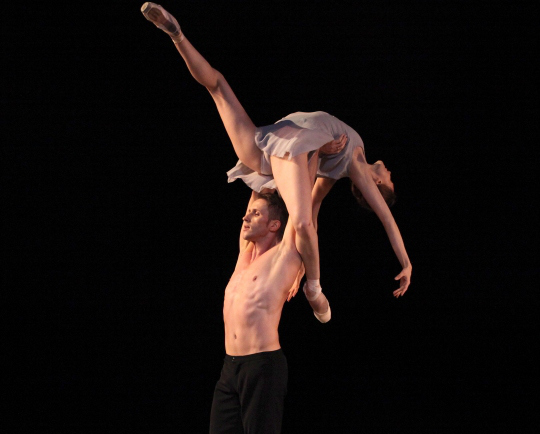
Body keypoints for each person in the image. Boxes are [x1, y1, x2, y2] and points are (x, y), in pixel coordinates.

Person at [140, 3, 412, 326]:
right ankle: (176, 34)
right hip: (275, 143)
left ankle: (314, 288)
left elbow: (385, 218)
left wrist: (406, 263)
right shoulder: (335, 165)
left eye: (390, 181)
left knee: (301, 222)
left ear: (378, 185)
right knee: (218, 86)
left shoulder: (355, 162)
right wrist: (302, 259)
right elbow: (313, 210)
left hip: (288, 147)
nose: (391, 173)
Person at [156, 185, 314, 434]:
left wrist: (305, 161)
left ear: (275, 225)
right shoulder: (245, 254)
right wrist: (264, 174)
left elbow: (304, 209)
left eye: (257, 214)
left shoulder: (285, 255)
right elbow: (255, 200)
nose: (246, 217)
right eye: (249, 212)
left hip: (263, 367)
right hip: (230, 370)